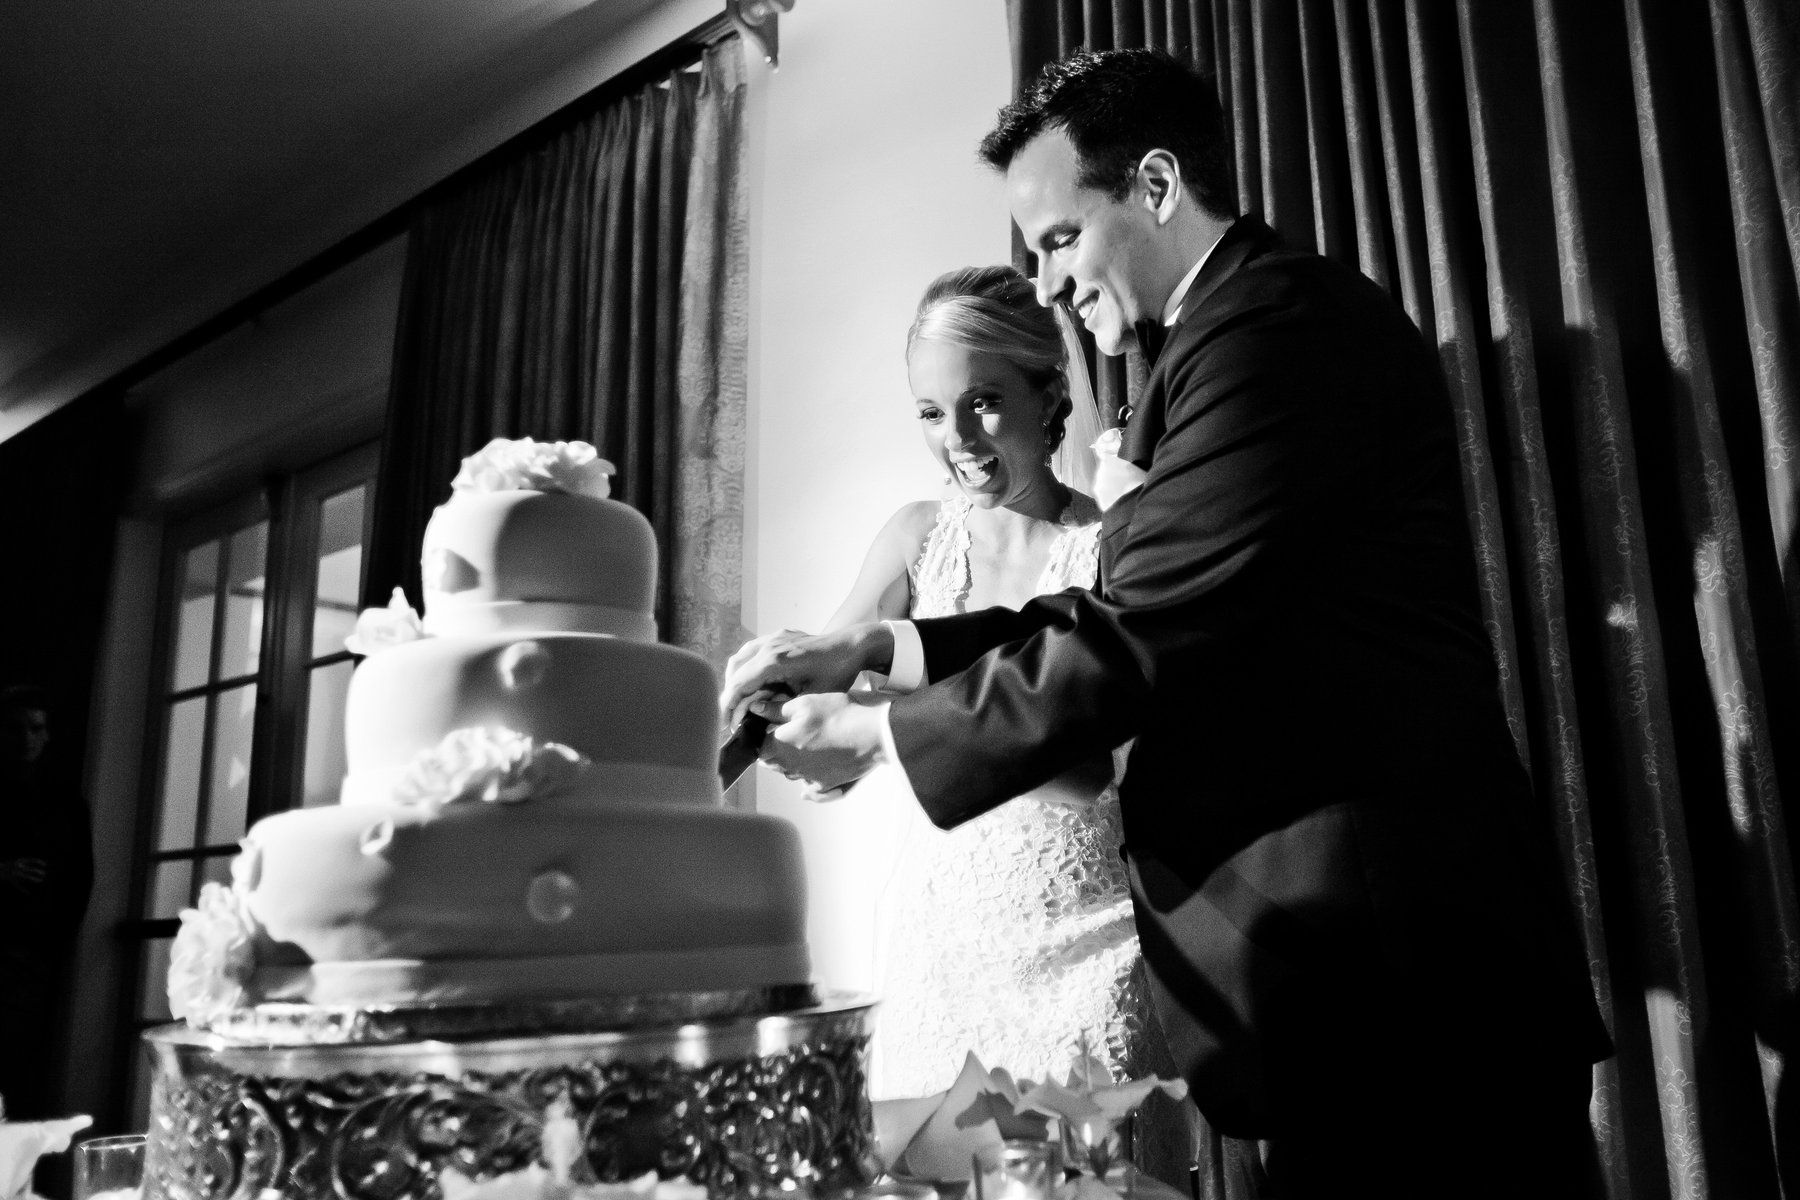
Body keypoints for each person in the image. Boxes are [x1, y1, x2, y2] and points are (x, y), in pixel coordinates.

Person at [723, 49, 1610, 1200]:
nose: (1049, 285)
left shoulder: (1274, 327)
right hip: (1342, 989)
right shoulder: (1214, 345)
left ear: (1153, 185)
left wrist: (877, 731)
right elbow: (1110, 607)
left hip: (1405, 989)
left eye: (1059, 240)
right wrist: (878, 647)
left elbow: (1139, 632)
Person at [812, 264, 1194, 1179]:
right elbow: (825, 689)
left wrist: (889, 727)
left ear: (1049, 394)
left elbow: (1086, 772)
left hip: (1088, 954)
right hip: (939, 954)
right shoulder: (916, 538)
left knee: (1086, 1188)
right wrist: (792, 724)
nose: (957, 440)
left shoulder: (1111, 549)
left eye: (983, 402)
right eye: (931, 412)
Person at [0, 685, 93, 1120]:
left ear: (47, 734)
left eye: (35, 728)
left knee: (20, 1065)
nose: (26, 738)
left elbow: (79, 879)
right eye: (15, 728)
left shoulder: (66, 804)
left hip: (35, 955)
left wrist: (52, 942)